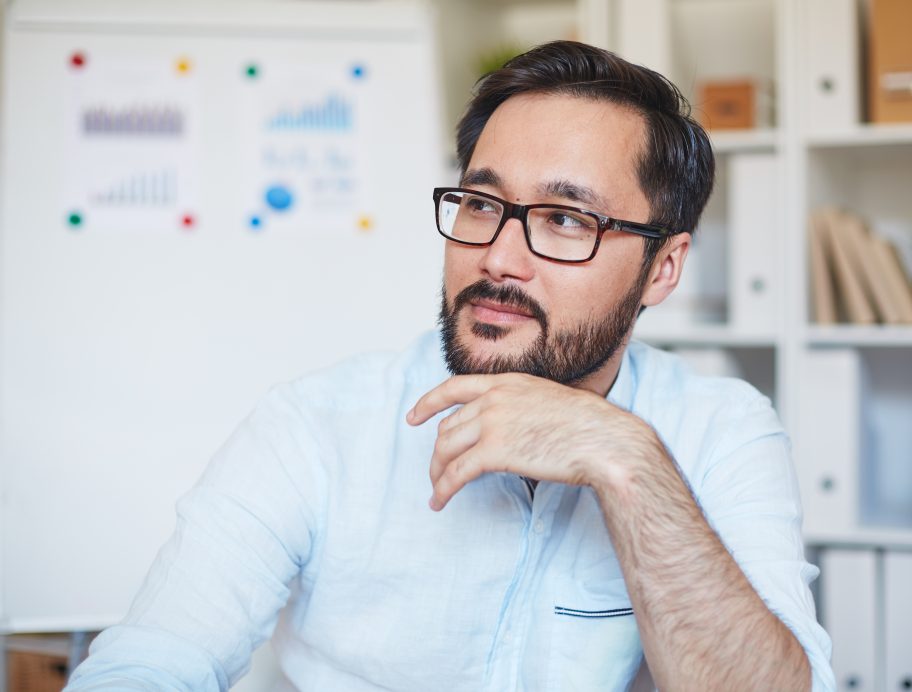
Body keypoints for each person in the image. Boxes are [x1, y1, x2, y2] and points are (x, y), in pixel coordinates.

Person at [68, 41, 833, 691]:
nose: (497, 258)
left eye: (566, 220)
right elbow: (151, 660)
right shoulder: (314, 427)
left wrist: (626, 460)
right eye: (479, 203)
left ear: (664, 269)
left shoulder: (720, 428)